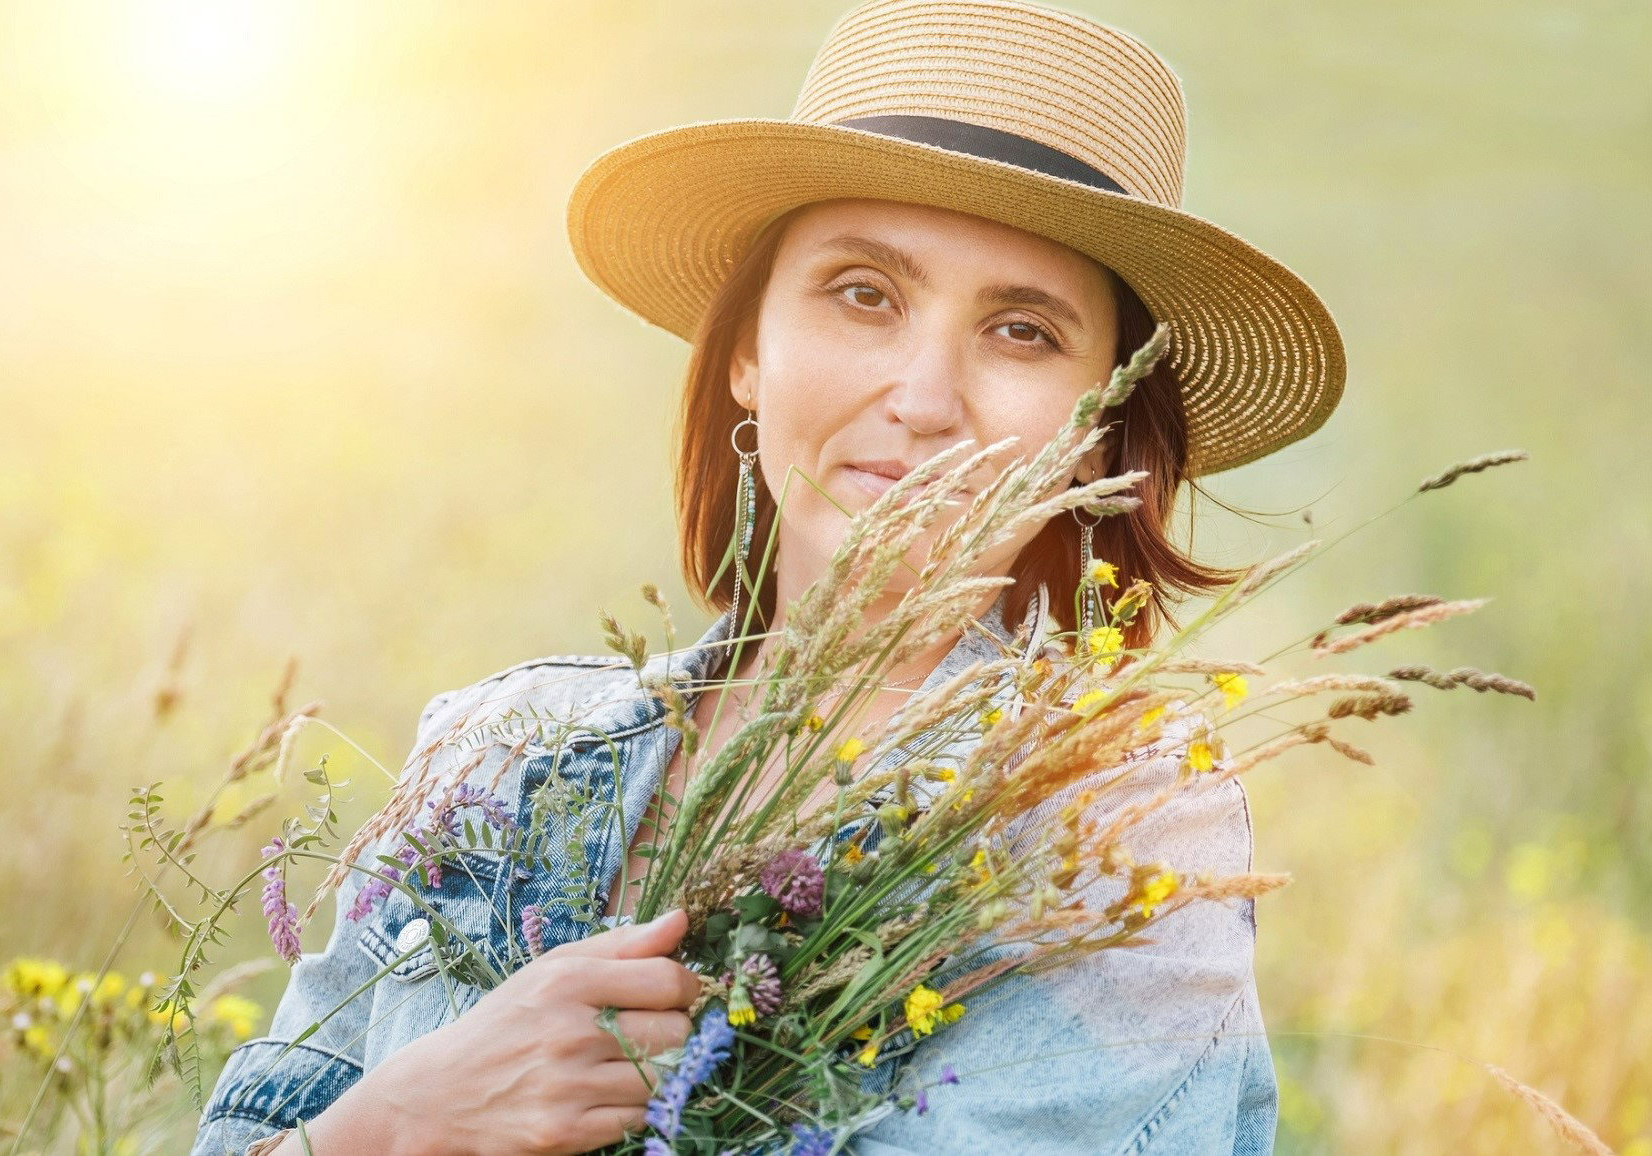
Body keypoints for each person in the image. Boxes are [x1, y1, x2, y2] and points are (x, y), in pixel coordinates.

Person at [192, 1, 1343, 1152]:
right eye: (863, 294)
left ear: (1096, 434)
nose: (925, 399)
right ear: (746, 350)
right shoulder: (493, 748)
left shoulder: (1114, 832)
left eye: (1022, 331)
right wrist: (388, 1127)